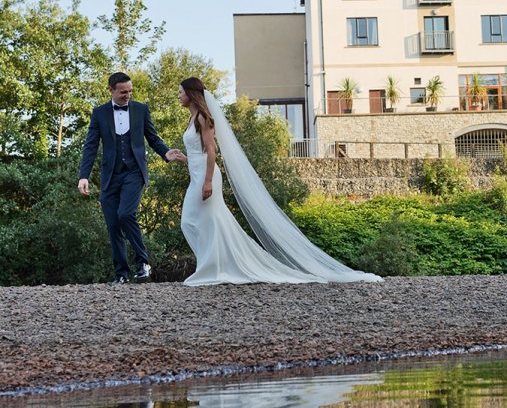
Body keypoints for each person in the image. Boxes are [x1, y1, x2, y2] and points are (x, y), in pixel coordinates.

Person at [177, 77, 381, 285]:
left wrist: (208, 181)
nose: (179, 96)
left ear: (191, 94)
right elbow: (199, 153)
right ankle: (213, 266)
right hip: (198, 176)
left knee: (201, 222)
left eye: (181, 92)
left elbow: (212, 151)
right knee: (197, 222)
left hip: (207, 177)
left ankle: (213, 268)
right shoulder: (192, 119)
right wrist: (184, 158)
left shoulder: (203, 118)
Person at [78, 72, 183, 285]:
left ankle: (143, 263)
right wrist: (83, 176)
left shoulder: (141, 109)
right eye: (123, 92)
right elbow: (91, 145)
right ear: (111, 90)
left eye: (130, 91)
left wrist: (165, 153)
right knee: (113, 224)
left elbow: (152, 137)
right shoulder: (99, 113)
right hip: (110, 175)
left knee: (126, 213)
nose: (127, 95)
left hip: (134, 172)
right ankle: (121, 274)